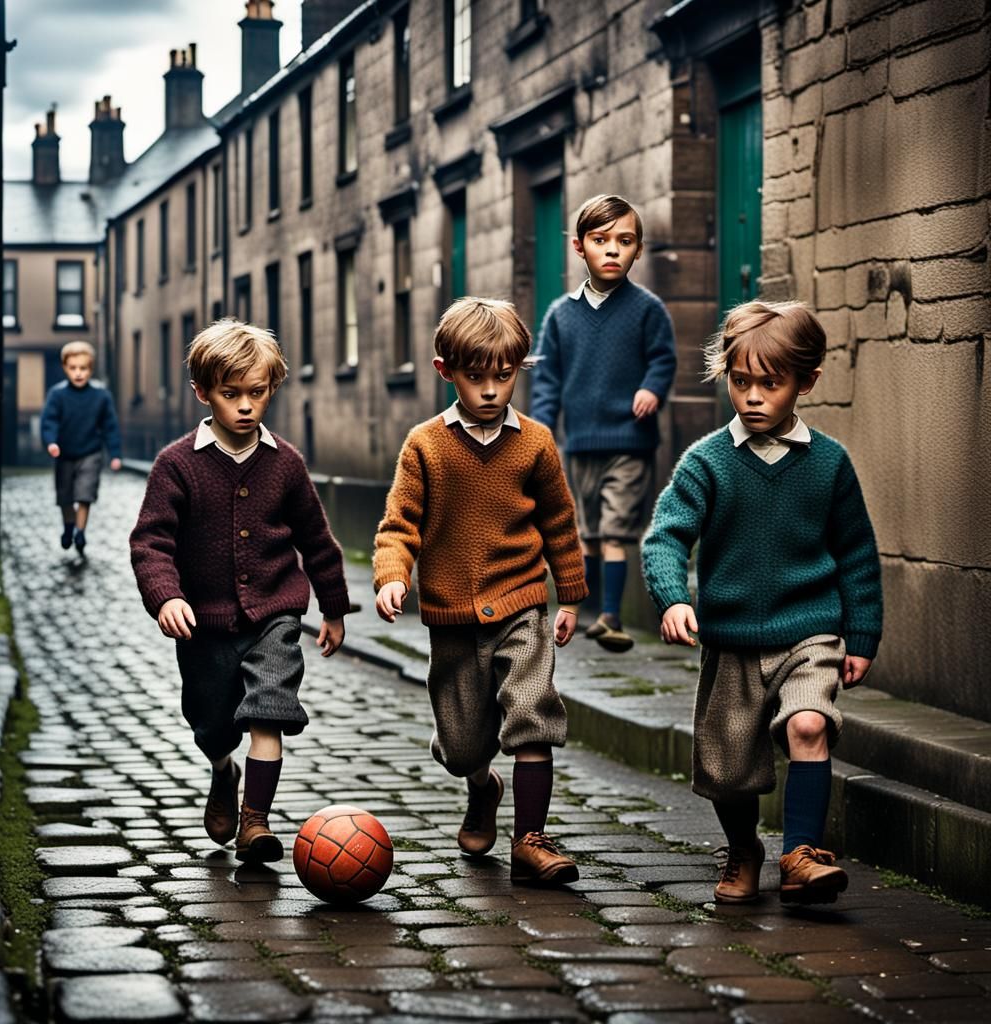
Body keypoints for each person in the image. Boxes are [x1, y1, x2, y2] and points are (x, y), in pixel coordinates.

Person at [642, 300, 882, 906]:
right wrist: (672, 596)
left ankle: (800, 853)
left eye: (769, 384)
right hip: (731, 641)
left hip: (811, 633)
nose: (752, 396)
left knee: (809, 724)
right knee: (729, 769)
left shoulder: (828, 464)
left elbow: (856, 553)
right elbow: (666, 535)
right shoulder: (708, 462)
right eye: (740, 381)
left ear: (807, 381)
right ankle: (744, 847)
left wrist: (863, 634)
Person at [374, 297, 589, 886]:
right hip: (451, 617)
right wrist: (393, 575)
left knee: (531, 714)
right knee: (465, 745)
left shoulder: (536, 444)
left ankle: (531, 840)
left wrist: (568, 595)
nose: (492, 390)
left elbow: (559, 525)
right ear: (446, 371)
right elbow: (399, 525)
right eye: (476, 377)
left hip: (522, 604)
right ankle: (481, 786)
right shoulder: (425, 445)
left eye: (504, 376)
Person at [130, 320, 350, 863]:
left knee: (267, 709)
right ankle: (222, 771)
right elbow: (151, 542)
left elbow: (317, 540)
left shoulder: (286, 464)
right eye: (231, 395)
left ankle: (256, 820)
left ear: (271, 389)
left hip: (275, 613)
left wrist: (334, 606)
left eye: (257, 393)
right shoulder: (177, 465)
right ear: (204, 393)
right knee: (211, 723)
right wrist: (167, 596)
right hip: (203, 623)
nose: (246, 406)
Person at [530, 193, 677, 653]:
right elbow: (547, 377)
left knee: (615, 528)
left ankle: (611, 615)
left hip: (629, 440)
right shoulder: (560, 314)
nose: (612, 249)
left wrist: (652, 387)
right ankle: (588, 612)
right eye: (601, 240)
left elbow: (663, 357)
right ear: (579, 247)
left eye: (625, 240)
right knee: (586, 530)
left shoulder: (647, 309)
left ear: (638, 249)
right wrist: (542, 428)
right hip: (579, 443)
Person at [40, 340, 123, 556]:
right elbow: (49, 422)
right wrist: (51, 442)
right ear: (65, 368)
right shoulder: (57, 395)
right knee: (65, 497)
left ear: (91, 368)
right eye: (73, 368)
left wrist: (115, 454)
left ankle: (80, 532)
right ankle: (69, 526)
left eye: (83, 368)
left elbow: (110, 426)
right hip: (65, 454)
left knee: (84, 495)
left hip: (90, 453)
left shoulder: (101, 396)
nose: (78, 373)